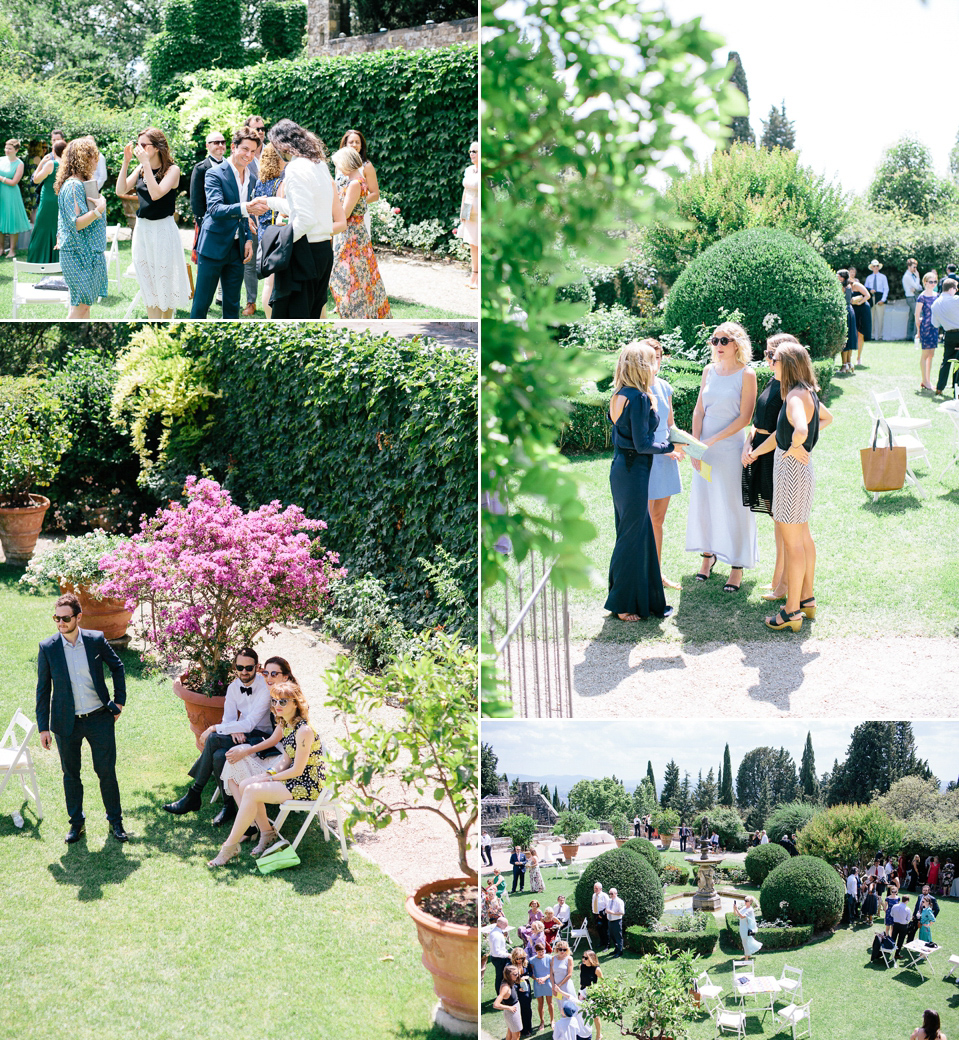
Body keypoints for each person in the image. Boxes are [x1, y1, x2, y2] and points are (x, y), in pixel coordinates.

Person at [744, 344, 833, 632]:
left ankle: (791, 610)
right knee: (802, 537)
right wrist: (757, 453)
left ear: (789, 364)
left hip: (790, 473)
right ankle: (806, 598)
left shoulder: (794, 397)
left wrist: (796, 446)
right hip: (796, 471)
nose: (771, 363)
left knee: (793, 544)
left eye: (775, 359)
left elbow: (799, 431)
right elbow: (782, 437)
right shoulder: (806, 391)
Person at [35, 592, 128, 843]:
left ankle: (115, 822)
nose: (60, 622)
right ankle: (77, 824)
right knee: (71, 775)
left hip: (99, 717)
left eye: (65, 618)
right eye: (56, 618)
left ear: (78, 617)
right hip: (67, 722)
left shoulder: (95, 640)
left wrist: (119, 701)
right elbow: (43, 690)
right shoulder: (48, 648)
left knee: (106, 771)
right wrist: (43, 727)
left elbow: (117, 666)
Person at [208, 679, 326, 866]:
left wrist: (270, 778)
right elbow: (286, 760)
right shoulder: (286, 725)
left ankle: (229, 847)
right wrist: (267, 774)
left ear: (296, 703)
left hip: (308, 785)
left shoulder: (304, 730)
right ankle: (266, 833)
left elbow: (298, 769)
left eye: (283, 701)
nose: (277, 705)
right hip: (293, 780)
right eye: (274, 701)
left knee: (252, 790)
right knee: (247, 784)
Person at [605, 341, 675, 621]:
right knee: (631, 537)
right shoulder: (640, 398)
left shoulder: (619, 394)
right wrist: (672, 448)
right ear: (641, 366)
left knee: (632, 534)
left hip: (621, 469)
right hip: (634, 471)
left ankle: (634, 597)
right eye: (650, 360)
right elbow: (644, 444)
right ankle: (621, 603)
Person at [163, 648, 273, 824]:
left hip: (261, 738)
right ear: (235, 668)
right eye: (240, 667)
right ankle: (228, 806)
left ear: (257, 667)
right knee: (219, 755)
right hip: (243, 733)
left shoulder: (264, 688)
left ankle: (194, 795)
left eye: (249, 668)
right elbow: (228, 719)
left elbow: (251, 723)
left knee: (214, 738)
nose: (244, 671)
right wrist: (231, 728)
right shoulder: (233, 687)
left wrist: (215, 728)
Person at [686, 322, 759, 590]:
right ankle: (707, 557)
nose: (717, 345)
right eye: (714, 340)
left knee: (732, 504)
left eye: (723, 340)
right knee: (704, 503)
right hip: (704, 449)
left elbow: (745, 418)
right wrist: (696, 444)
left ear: (737, 344)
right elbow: (698, 411)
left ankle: (737, 565)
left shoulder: (747, 374)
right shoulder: (708, 371)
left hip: (729, 450)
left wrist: (711, 441)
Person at [263, 119, 347, 318]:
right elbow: (308, 209)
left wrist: (282, 244)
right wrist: (269, 202)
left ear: (281, 144)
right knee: (312, 317)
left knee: (293, 321)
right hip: (323, 250)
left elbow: (305, 219)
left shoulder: (295, 168)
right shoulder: (318, 165)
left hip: (304, 254)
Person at [742, 333, 801, 601]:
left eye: (770, 355)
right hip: (761, 450)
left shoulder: (791, 388)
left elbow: (786, 430)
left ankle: (784, 584)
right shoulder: (773, 380)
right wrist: (748, 443)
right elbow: (757, 420)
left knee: (783, 524)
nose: (766, 359)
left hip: (775, 454)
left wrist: (756, 451)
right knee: (776, 521)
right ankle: (779, 579)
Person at [191, 126, 269, 319]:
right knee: (201, 304)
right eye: (245, 149)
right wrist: (248, 208)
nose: (248, 155)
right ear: (233, 147)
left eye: (253, 151)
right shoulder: (214, 173)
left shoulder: (251, 177)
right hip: (213, 246)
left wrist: (248, 239)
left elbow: (242, 214)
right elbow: (216, 210)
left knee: (232, 306)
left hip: (237, 249)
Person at [117, 127, 191, 319]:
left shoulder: (172, 170)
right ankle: (153, 321)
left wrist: (146, 165)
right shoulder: (140, 168)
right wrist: (126, 163)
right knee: (148, 283)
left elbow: (156, 194)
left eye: (144, 145)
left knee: (164, 283)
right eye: (138, 145)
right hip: (143, 230)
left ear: (156, 147)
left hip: (163, 230)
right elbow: (121, 189)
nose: (139, 149)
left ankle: (164, 324)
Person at [218, 654, 294, 816]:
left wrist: (245, 751)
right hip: (277, 750)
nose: (268, 678)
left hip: (287, 759)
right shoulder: (276, 697)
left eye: (274, 674)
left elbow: (275, 739)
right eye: (266, 673)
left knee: (224, 752)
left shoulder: (288, 701)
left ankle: (253, 824)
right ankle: (250, 825)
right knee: (229, 759)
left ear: (286, 677)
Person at [329, 146, 392, 318]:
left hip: (351, 236)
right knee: (360, 277)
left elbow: (345, 212)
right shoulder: (357, 181)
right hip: (356, 234)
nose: (339, 169)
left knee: (346, 277)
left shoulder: (355, 184)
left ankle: (355, 314)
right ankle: (361, 313)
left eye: (339, 165)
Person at [645, 338, 685, 589]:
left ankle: (657, 574)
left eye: (658, 357)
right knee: (646, 521)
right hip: (649, 458)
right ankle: (646, 574)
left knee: (658, 521)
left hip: (668, 460)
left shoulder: (665, 387)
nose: (655, 363)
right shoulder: (636, 389)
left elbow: (670, 425)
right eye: (651, 358)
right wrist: (667, 449)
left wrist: (688, 445)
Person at [55, 136, 108, 319]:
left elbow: (62, 218)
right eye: (94, 156)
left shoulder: (80, 184)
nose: (97, 161)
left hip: (84, 253)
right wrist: (99, 210)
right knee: (81, 307)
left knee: (83, 307)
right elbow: (75, 222)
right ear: (84, 158)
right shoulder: (73, 186)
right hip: (78, 254)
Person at [189, 129, 227, 300]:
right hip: (207, 222)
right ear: (207, 146)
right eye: (216, 142)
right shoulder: (200, 168)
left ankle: (221, 293)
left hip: (228, 219)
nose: (220, 145)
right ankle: (203, 295)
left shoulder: (231, 165)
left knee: (226, 257)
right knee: (206, 260)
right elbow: (195, 198)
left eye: (222, 142)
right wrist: (203, 221)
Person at [250, 142, 287, 319]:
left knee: (268, 283)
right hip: (277, 232)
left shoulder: (260, 181)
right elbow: (283, 211)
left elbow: (257, 212)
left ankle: (268, 317)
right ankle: (273, 317)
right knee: (273, 282)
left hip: (264, 232)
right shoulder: (281, 182)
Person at [240, 114, 267, 316]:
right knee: (249, 260)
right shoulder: (243, 157)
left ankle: (275, 297)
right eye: (256, 129)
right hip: (252, 216)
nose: (260, 132)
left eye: (263, 129)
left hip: (275, 216)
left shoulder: (273, 153)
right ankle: (251, 301)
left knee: (276, 258)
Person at [26, 139, 65, 264]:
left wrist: (42, 162)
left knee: (42, 227)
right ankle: (57, 260)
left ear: (53, 150)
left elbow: (36, 180)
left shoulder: (51, 164)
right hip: (62, 199)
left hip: (48, 199)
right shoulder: (68, 164)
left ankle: (39, 259)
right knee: (58, 227)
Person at [339, 128, 380, 241]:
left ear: (361, 146)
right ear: (345, 144)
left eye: (357, 142)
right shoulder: (339, 166)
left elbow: (375, 194)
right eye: (351, 142)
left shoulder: (367, 166)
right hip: (341, 214)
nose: (354, 145)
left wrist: (354, 202)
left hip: (358, 215)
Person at [0, 138, 31, 257]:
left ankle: (12, 250)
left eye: (10, 148)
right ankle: (1, 248)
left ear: (16, 150)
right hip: (0, 193)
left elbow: (14, 182)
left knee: (12, 220)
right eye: (6, 148)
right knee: (0, 220)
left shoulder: (20, 164)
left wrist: (0, 178)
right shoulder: (1, 160)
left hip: (11, 195)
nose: (7, 150)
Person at [458, 140, 479, 289]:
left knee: (480, 243)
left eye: (475, 151)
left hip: (480, 211)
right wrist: (463, 212)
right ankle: (473, 274)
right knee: (472, 243)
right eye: (470, 151)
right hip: (469, 209)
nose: (471, 154)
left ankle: (480, 279)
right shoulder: (469, 170)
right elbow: (465, 192)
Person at [837, 269, 868, 373]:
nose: (837, 277)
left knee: (844, 338)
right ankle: (849, 363)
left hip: (845, 311)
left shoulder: (841, 287)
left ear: (842, 277)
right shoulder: (850, 286)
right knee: (849, 338)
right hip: (851, 311)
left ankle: (844, 365)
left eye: (838, 275)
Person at [916, 272, 940, 392]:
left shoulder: (937, 295)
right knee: (925, 354)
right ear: (925, 282)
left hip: (935, 327)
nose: (933, 284)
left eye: (935, 282)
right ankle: (925, 380)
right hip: (925, 327)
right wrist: (918, 330)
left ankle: (927, 380)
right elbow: (917, 314)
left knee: (932, 355)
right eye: (931, 282)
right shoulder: (922, 296)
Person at [848, 265, 872, 364]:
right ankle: (849, 357)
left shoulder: (857, 284)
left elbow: (868, 295)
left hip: (862, 308)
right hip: (853, 310)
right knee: (851, 333)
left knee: (860, 333)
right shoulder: (845, 287)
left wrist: (859, 302)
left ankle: (859, 357)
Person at [578, 950, 603, 1040]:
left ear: (591, 959)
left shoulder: (597, 969)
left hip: (593, 994)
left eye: (586, 958)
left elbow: (602, 983)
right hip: (582, 992)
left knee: (595, 1016)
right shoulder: (581, 966)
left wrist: (598, 995)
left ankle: (598, 1034)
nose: (583, 959)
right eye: (583, 957)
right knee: (582, 1014)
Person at [510, 947, 535, 1037]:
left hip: (525, 986)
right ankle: (519, 1029)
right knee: (517, 1010)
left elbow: (530, 972)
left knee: (527, 1008)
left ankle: (528, 1028)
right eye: (517, 958)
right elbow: (508, 979)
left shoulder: (526, 963)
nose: (519, 960)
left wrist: (527, 976)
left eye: (521, 958)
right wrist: (517, 988)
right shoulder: (510, 966)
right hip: (515, 988)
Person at [494, 964, 523, 1040]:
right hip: (512, 1013)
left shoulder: (510, 981)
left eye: (517, 974)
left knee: (510, 1033)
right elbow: (496, 1005)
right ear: (508, 975)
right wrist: (509, 1007)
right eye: (515, 974)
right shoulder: (505, 987)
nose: (517, 976)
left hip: (513, 1011)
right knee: (516, 1036)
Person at [530, 942, 554, 1031]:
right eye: (539, 951)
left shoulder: (549, 958)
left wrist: (545, 978)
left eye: (543, 951)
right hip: (538, 984)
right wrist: (536, 979)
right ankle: (542, 1022)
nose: (541, 953)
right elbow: (530, 973)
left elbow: (552, 971)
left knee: (550, 1003)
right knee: (540, 1004)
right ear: (536, 951)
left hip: (548, 983)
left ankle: (552, 1020)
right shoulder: (532, 960)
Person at [865, 259, 889, 341]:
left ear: (879, 267)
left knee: (880, 318)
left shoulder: (883, 277)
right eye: (874, 266)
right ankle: (871, 335)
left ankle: (880, 336)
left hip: (880, 297)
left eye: (877, 266)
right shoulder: (869, 278)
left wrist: (883, 299)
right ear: (871, 268)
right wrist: (870, 290)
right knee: (871, 318)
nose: (875, 267)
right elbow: (865, 288)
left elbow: (886, 288)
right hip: (871, 298)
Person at [489, 916, 512, 993]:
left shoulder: (496, 932)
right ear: (501, 924)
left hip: (498, 958)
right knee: (500, 977)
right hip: (499, 959)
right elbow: (497, 951)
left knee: (502, 976)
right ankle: (500, 993)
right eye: (506, 924)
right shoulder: (496, 935)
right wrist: (508, 955)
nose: (507, 926)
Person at [904, 258, 923, 342]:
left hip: (913, 297)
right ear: (909, 266)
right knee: (917, 315)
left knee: (912, 317)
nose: (915, 269)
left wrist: (916, 287)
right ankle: (916, 335)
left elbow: (919, 287)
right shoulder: (907, 276)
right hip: (911, 297)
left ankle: (909, 336)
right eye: (914, 267)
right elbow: (916, 286)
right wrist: (918, 277)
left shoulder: (912, 275)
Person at [607, 887, 625, 957]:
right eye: (609, 894)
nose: (610, 895)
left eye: (611, 894)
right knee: (612, 936)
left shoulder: (619, 901)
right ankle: (616, 949)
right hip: (610, 921)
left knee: (618, 936)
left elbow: (622, 912)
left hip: (617, 921)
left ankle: (620, 951)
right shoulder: (609, 901)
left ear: (616, 893)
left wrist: (612, 912)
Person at [591, 882, 609, 949]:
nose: (595, 890)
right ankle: (602, 942)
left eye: (596, 888)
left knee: (605, 930)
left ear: (600, 889)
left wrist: (602, 915)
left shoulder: (604, 896)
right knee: (599, 930)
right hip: (595, 914)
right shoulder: (594, 895)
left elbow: (608, 906)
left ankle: (607, 944)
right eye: (594, 888)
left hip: (603, 915)